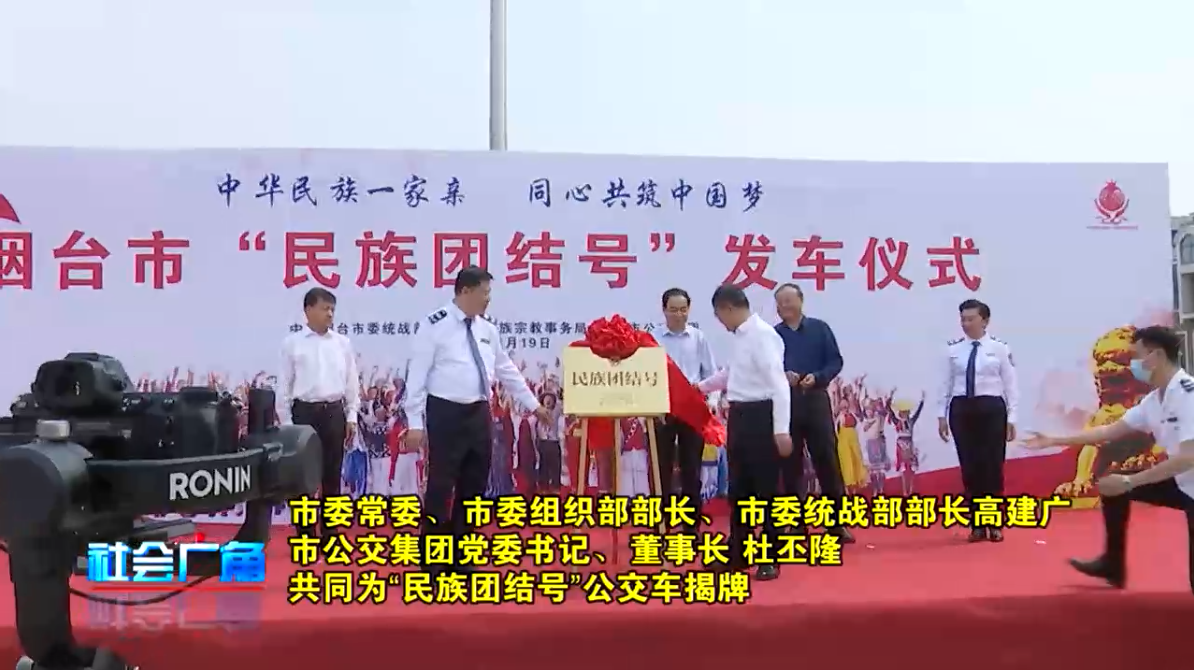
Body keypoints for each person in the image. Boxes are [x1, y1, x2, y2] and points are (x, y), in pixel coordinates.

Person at [404, 266, 550, 574]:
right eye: (484, 292)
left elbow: (506, 370)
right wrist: (414, 422)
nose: (488, 299)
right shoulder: (434, 325)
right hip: (445, 412)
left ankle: (463, 554)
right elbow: (416, 375)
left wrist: (534, 405)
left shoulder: (487, 330)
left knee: (474, 485)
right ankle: (434, 559)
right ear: (465, 291)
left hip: (479, 413)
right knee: (441, 486)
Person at [1025, 326, 1194, 591]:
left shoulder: (1188, 395)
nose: (1132, 365)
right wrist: (1054, 440)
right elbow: (1109, 431)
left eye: (1135, 357)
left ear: (1157, 356)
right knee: (1112, 486)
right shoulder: (1154, 400)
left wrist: (1131, 481)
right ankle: (1112, 564)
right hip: (1185, 484)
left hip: (1188, 476)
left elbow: (1188, 458)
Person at [697, 284, 793, 581]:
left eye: (719, 316)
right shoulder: (741, 337)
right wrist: (699, 388)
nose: (720, 322)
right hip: (739, 416)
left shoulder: (763, 335)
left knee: (767, 492)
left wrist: (781, 429)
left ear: (727, 308)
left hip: (761, 417)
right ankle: (739, 553)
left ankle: (770, 557)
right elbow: (731, 374)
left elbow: (779, 384)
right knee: (740, 491)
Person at [773, 283, 854, 544]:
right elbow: (766, 368)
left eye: (788, 300)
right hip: (786, 404)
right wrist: (782, 376)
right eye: (779, 302)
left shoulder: (819, 329)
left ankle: (836, 523)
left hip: (816, 400)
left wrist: (817, 377)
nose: (784, 306)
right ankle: (796, 524)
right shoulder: (773, 335)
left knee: (827, 462)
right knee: (790, 466)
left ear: (800, 301)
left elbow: (835, 361)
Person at [276, 287, 360, 538]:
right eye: (325, 308)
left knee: (332, 476)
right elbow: (284, 385)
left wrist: (352, 415)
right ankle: (305, 533)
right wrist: (287, 423)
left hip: (334, 412)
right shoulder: (292, 344)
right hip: (303, 415)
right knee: (301, 477)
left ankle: (330, 532)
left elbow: (352, 383)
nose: (330, 314)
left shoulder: (342, 343)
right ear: (308, 310)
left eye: (332, 309)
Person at [936, 298, 1019, 543]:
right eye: (963, 319)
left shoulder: (999, 348)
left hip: (991, 408)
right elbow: (945, 384)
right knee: (970, 468)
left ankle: (994, 523)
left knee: (992, 467)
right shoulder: (953, 350)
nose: (966, 323)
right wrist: (941, 415)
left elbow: (1011, 384)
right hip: (962, 409)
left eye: (971, 319)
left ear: (985, 321)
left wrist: (1013, 416)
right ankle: (977, 525)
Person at [656, 287, 718, 531]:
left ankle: (691, 527)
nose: (679, 315)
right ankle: (662, 524)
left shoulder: (698, 338)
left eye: (683, 309)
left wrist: (712, 401)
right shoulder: (653, 339)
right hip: (662, 410)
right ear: (664, 310)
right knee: (661, 469)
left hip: (692, 409)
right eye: (673, 310)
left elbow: (711, 373)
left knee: (691, 467)